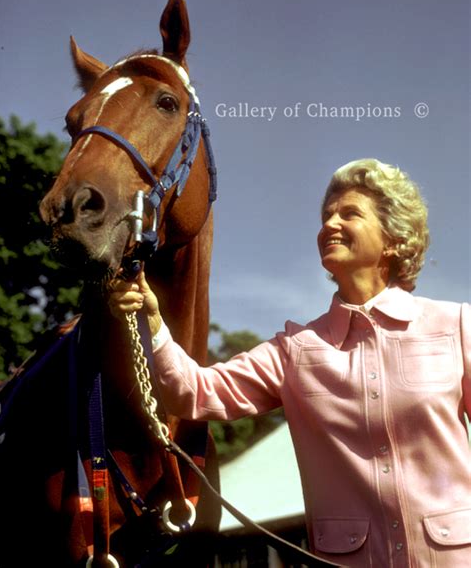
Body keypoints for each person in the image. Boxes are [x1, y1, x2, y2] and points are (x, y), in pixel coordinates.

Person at [109, 158, 471, 568]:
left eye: (350, 213)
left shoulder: (457, 326)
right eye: (327, 215)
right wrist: (153, 322)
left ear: (392, 239)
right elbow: (194, 392)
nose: (330, 224)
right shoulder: (295, 348)